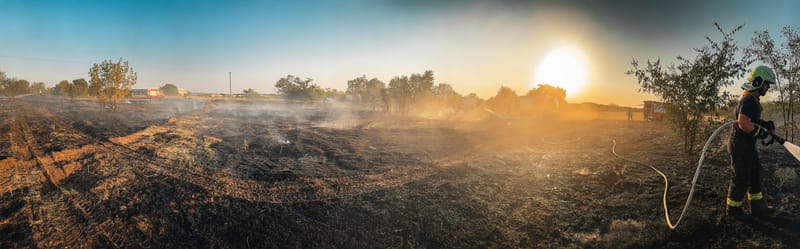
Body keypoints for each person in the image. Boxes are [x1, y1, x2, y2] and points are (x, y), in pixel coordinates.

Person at [727, 65, 779, 222]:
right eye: (767, 84)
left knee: (754, 173)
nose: (768, 87)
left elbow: (752, 121)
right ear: (758, 82)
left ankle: (758, 208)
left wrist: (766, 125)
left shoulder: (753, 99)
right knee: (741, 176)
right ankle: (733, 209)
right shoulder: (749, 99)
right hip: (740, 144)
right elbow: (743, 123)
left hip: (746, 144)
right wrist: (761, 133)